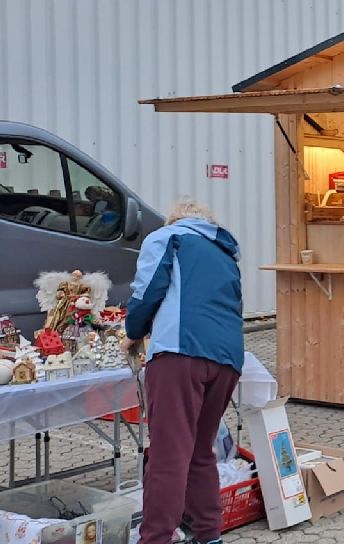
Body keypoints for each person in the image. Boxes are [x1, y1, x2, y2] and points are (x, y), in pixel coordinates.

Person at [123, 200, 244, 544]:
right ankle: (209, 536)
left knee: (167, 456)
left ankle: (156, 538)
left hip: (179, 352)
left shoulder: (167, 237)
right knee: (200, 452)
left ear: (175, 219)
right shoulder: (226, 253)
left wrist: (133, 331)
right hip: (227, 358)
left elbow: (146, 293)